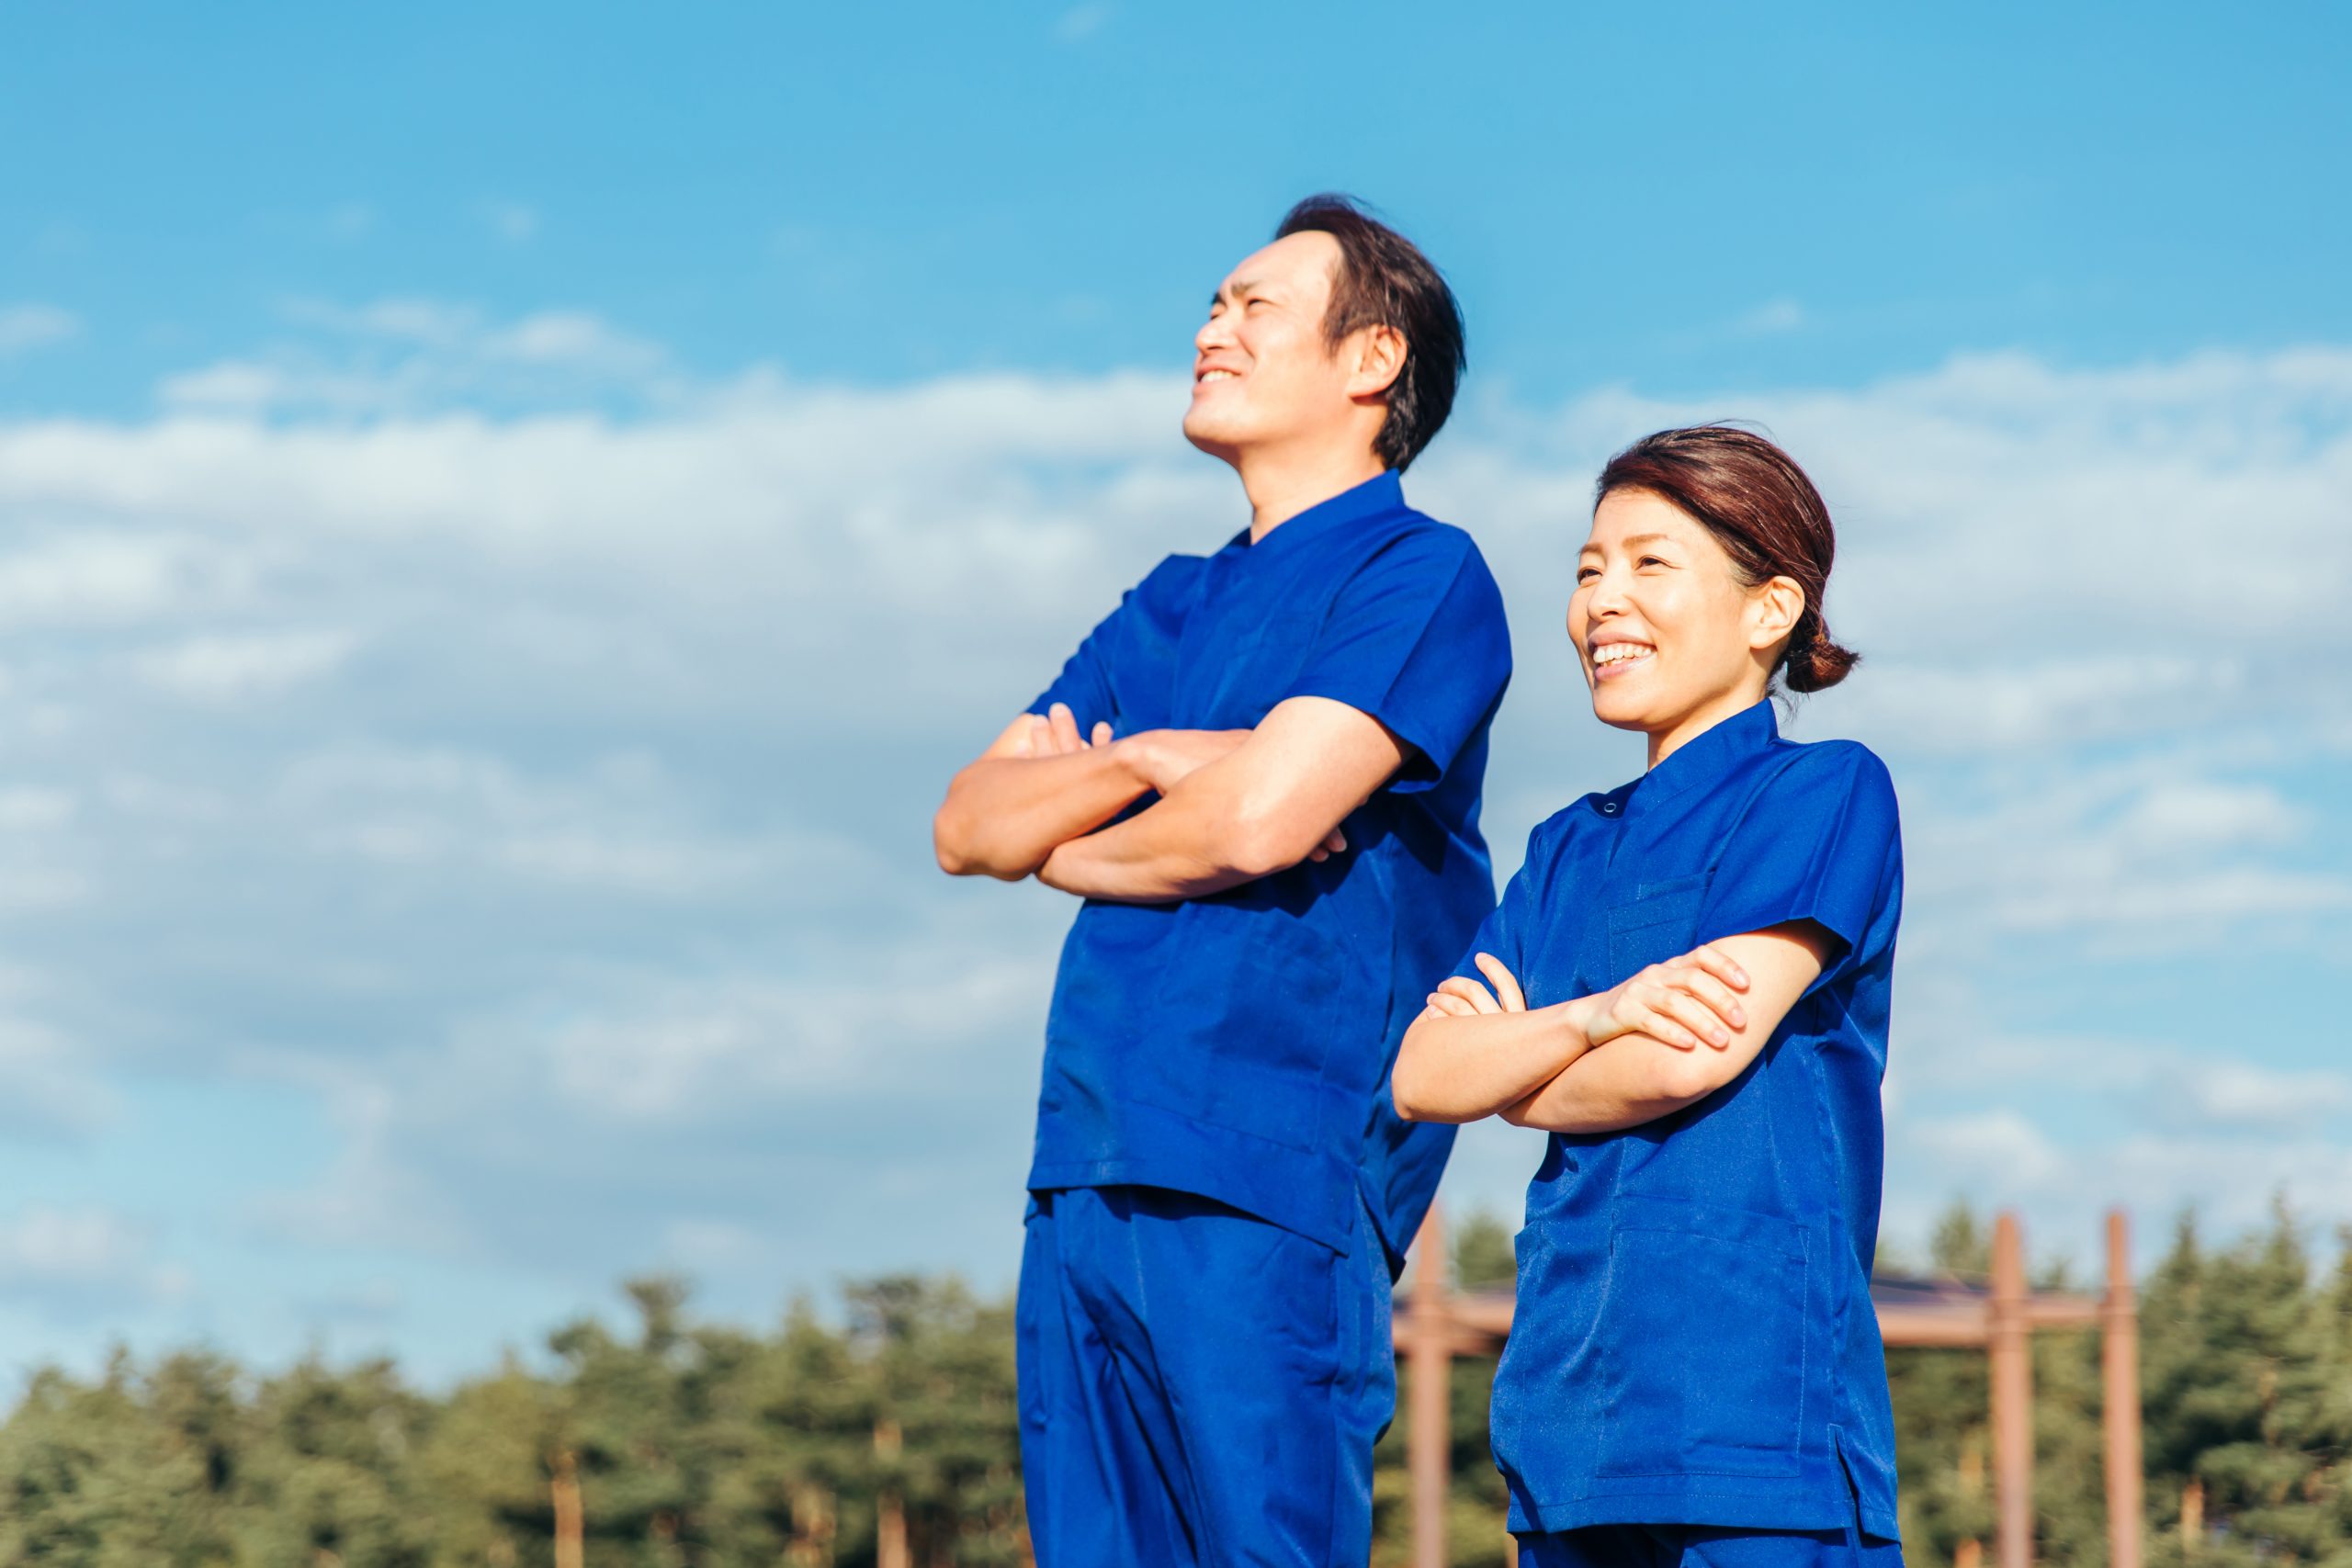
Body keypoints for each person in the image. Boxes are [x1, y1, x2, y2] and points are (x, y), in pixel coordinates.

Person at [933, 195, 1511, 1566]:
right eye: (1211, 303)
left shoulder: (1419, 574)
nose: (1211, 328)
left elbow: (1259, 823)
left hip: (1270, 1172)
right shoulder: (1168, 602)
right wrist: (1159, 755)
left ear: (1372, 359)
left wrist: (1075, 833)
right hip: (1083, 1167)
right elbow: (967, 824)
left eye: (1254, 305)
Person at [1392, 425, 1905, 1566]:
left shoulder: (1823, 792)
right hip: (1567, 1424)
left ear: (1771, 608)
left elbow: (1693, 1054)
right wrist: (1593, 1016)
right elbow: (1424, 1075)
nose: (1599, 604)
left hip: (1757, 1427)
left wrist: (1518, 1075)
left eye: (1647, 564)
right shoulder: (1563, 850)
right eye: (1586, 570)